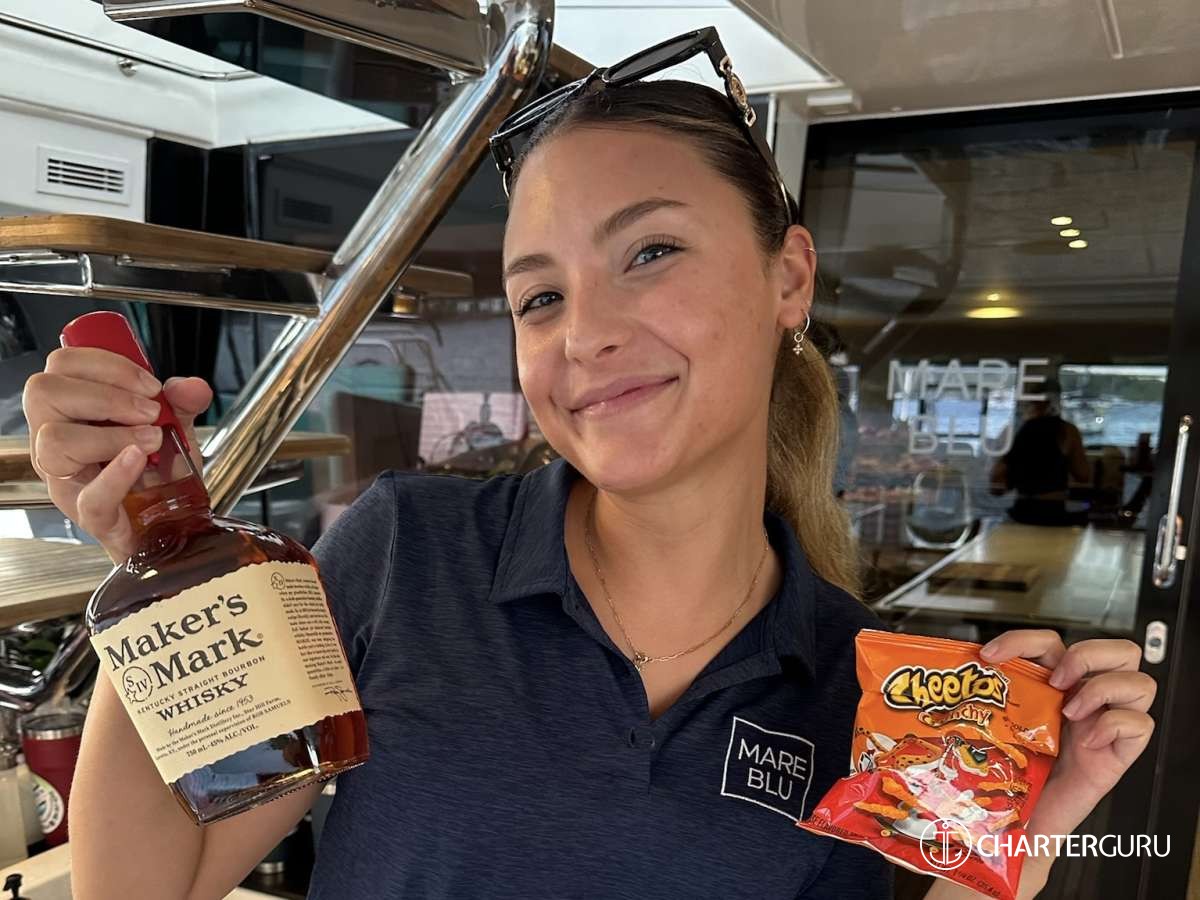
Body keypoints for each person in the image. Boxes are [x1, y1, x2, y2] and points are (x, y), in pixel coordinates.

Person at [21, 28, 1155, 900]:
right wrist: (165, 566)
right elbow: (148, 885)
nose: (586, 335)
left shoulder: (859, 685)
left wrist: (1014, 843)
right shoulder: (408, 556)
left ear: (788, 279)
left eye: (650, 251)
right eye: (540, 298)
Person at [990, 379, 1092, 526]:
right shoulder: (1066, 431)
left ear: (1032, 402)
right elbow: (1083, 475)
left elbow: (996, 483)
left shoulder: (1014, 431)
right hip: (1052, 508)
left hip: (1022, 508)